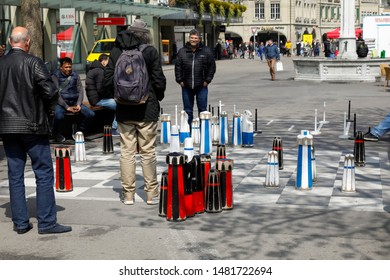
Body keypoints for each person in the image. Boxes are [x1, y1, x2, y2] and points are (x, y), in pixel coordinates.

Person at [0, 26, 72, 234]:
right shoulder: (33, 63)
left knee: (15, 174)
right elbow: (50, 92)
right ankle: (47, 222)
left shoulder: (1, 64)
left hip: (8, 127)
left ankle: (21, 223)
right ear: (28, 42)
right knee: (43, 172)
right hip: (33, 125)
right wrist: (48, 109)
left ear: (11, 41)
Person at [103, 19, 166, 205]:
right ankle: (150, 193)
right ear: (146, 35)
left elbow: (106, 80)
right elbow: (159, 80)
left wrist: (117, 96)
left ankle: (128, 195)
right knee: (147, 152)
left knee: (127, 152)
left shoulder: (116, 51)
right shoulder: (150, 52)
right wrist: (156, 97)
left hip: (124, 109)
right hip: (147, 108)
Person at [174, 29, 216, 126]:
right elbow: (178, 67)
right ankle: (188, 132)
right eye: (192, 38)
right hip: (186, 86)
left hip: (202, 86)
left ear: (199, 39)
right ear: (189, 38)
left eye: (196, 38)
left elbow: (212, 67)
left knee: (202, 110)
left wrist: (207, 80)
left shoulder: (206, 51)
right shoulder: (182, 52)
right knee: (188, 111)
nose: (194, 40)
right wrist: (180, 80)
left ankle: (202, 133)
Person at [51, 57, 95, 142]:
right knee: (59, 116)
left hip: (74, 102)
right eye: (66, 67)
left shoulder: (75, 75)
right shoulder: (55, 76)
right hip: (61, 103)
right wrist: (67, 107)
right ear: (61, 67)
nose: (68, 69)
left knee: (90, 114)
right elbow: (56, 94)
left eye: (70, 67)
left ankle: (79, 131)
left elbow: (80, 90)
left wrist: (78, 104)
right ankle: (55, 133)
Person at [85, 53, 118, 135]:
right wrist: (111, 96)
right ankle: (114, 128)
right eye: (108, 61)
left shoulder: (94, 69)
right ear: (104, 61)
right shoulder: (100, 71)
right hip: (98, 100)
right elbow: (101, 89)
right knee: (121, 105)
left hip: (95, 99)